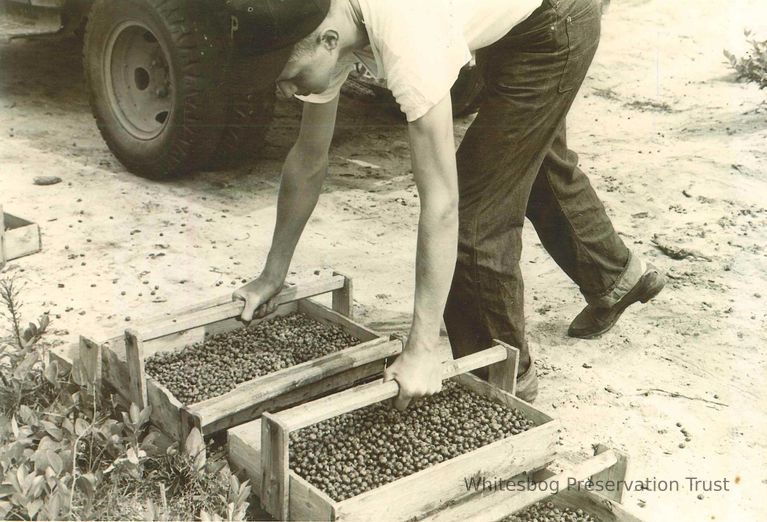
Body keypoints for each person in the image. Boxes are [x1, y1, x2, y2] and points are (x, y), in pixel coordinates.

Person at [229, 0, 665, 409]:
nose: (284, 90)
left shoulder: (407, 37)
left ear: (328, 41)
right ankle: (615, 275)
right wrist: (273, 275)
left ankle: (499, 379)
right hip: (516, 20)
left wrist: (421, 349)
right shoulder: (325, 17)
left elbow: (441, 204)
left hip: (557, 23)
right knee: (518, 152)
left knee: (476, 212)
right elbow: (308, 159)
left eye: (288, 75)